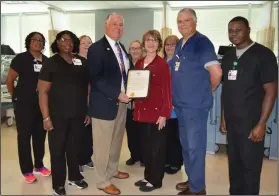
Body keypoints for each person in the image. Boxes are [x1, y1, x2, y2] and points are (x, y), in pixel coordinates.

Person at [220, 16, 278, 195]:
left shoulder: (263, 54)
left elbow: (271, 91)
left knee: (250, 165)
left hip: (251, 121)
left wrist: (261, 124)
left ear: (248, 30)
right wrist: (223, 116)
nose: (233, 34)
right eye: (230, 31)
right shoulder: (228, 57)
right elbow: (226, 89)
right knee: (234, 163)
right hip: (232, 120)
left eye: (238, 30)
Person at [170, 8, 222, 195]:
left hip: (195, 106)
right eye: (179, 21)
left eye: (186, 21)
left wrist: (208, 90)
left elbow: (216, 73)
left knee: (195, 147)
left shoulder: (202, 42)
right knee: (186, 145)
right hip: (181, 105)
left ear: (195, 22)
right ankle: (192, 179)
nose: (182, 24)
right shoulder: (180, 44)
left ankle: (198, 188)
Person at [38, 30, 89, 195]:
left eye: (70, 40)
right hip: (57, 116)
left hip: (78, 114)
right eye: (63, 39)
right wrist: (46, 117)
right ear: (57, 43)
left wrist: (87, 111)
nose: (67, 42)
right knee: (58, 149)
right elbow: (43, 92)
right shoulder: (51, 63)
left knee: (74, 147)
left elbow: (86, 88)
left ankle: (74, 176)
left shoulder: (80, 61)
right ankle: (58, 183)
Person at [87, 13, 130, 195]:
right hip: (104, 104)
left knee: (116, 141)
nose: (118, 28)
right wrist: (117, 94)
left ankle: (112, 170)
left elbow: (124, 74)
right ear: (106, 26)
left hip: (121, 104)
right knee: (102, 145)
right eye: (115, 24)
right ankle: (101, 180)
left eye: (121, 25)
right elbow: (95, 78)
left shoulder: (121, 48)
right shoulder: (97, 48)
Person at [6, 32, 51, 184]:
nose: (37, 42)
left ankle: (39, 165)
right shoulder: (21, 59)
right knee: (24, 137)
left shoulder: (46, 60)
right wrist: (16, 97)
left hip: (42, 105)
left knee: (40, 136)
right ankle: (27, 169)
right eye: (34, 40)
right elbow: (10, 80)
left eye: (40, 40)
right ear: (29, 42)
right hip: (24, 105)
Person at [133, 30, 172, 192]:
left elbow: (167, 91)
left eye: (154, 41)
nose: (151, 43)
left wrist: (164, 114)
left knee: (157, 148)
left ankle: (156, 180)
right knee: (146, 147)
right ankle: (148, 175)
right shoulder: (139, 63)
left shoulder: (162, 64)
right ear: (144, 43)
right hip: (142, 112)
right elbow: (134, 86)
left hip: (157, 113)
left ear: (159, 44)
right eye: (148, 40)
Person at [163, 35, 183, 175]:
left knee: (176, 136)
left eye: (172, 44)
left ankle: (176, 162)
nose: (169, 47)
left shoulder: (180, 63)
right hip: (163, 106)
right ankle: (167, 160)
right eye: (167, 44)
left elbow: (181, 85)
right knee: (165, 136)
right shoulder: (162, 62)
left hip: (175, 106)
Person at [77, 35, 94, 173]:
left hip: (94, 102)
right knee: (79, 132)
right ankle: (77, 161)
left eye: (89, 43)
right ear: (78, 45)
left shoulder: (93, 61)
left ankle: (87, 157)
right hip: (79, 102)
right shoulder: (74, 61)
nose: (87, 45)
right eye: (83, 43)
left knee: (90, 133)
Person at [125, 40, 144, 166]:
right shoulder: (125, 64)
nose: (135, 51)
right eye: (132, 48)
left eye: (137, 48)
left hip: (142, 104)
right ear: (129, 50)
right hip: (128, 104)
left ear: (142, 50)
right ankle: (134, 155)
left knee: (142, 132)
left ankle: (143, 157)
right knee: (131, 132)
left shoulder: (145, 63)